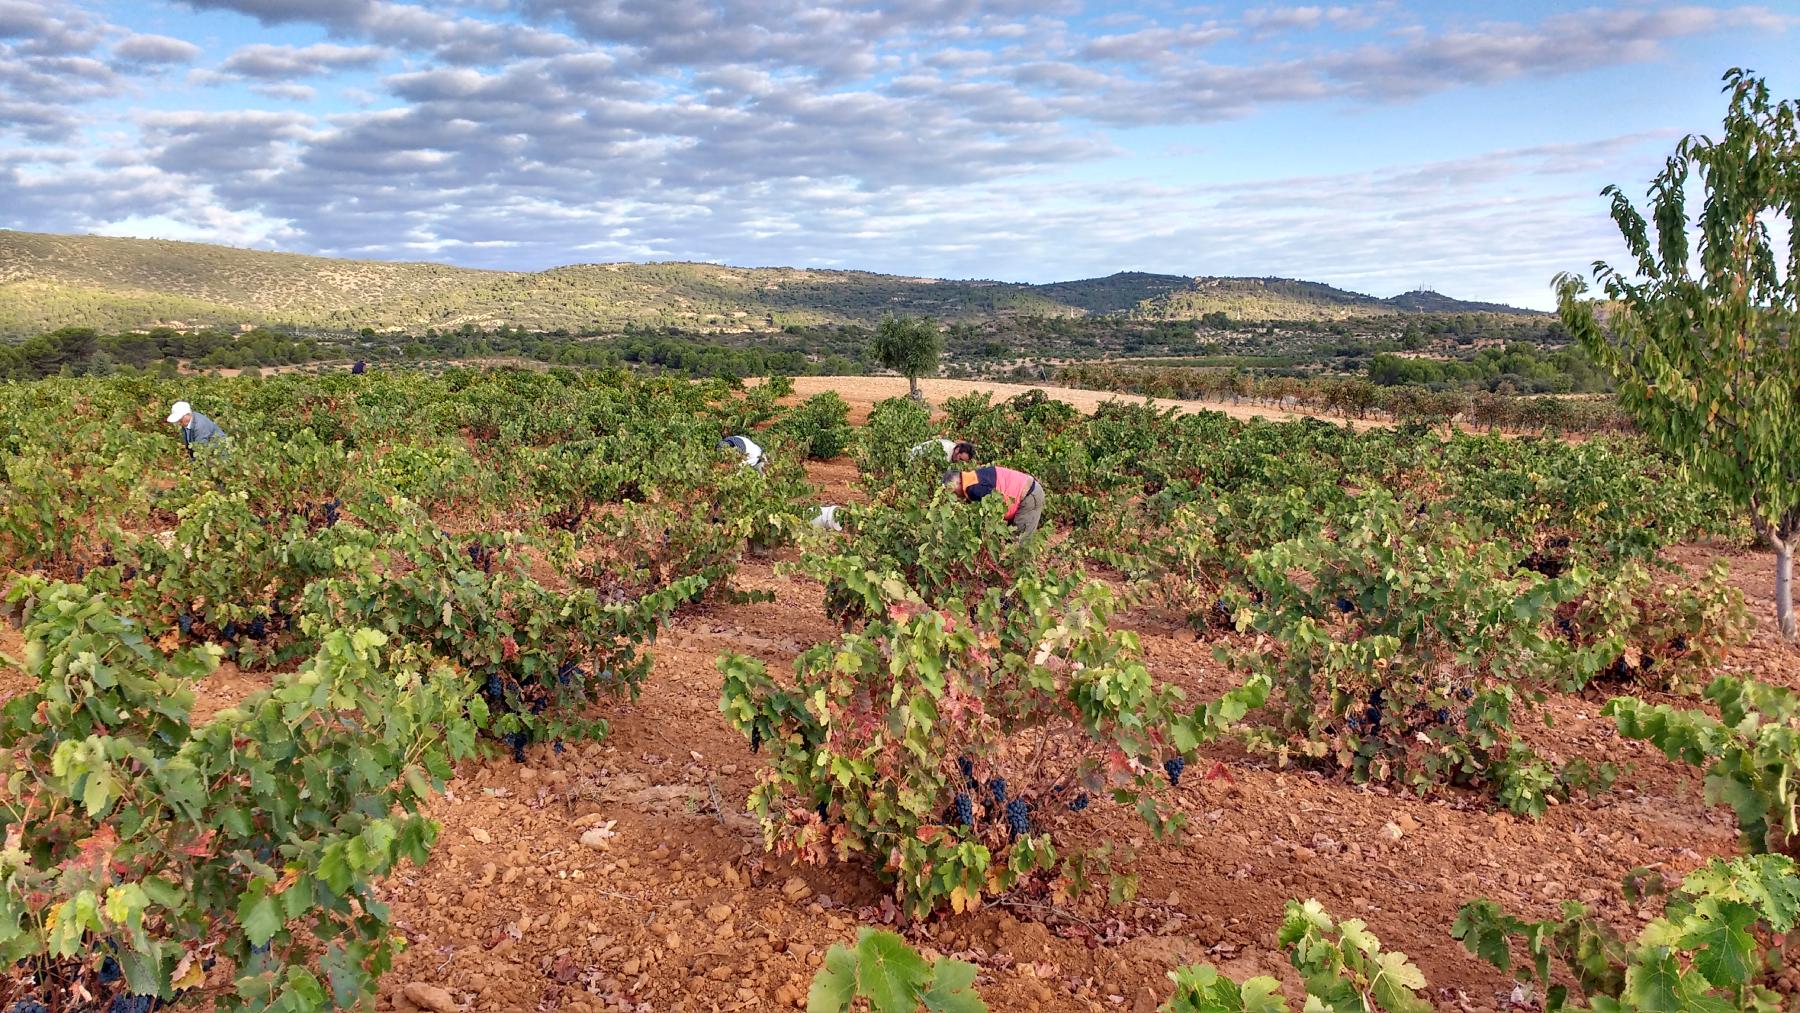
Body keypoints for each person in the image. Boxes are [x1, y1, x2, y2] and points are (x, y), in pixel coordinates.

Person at [944, 464, 1044, 537]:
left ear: (957, 482)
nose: (954, 495)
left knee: (1020, 541)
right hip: (1029, 490)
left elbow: (993, 508)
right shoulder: (974, 477)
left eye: (952, 490)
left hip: (1028, 496)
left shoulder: (973, 489)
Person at [908, 439, 976, 463]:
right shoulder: (945, 453)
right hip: (912, 459)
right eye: (960, 458)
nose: (959, 461)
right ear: (957, 450)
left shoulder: (952, 446)